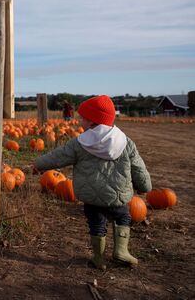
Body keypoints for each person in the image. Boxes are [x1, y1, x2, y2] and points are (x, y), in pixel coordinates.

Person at [33, 95, 151, 269]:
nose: (80, 121)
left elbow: (58, 156)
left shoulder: (80, 143)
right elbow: (138, 167)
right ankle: (121, 251)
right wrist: (144, 187)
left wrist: (38, 164)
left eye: (83, 118)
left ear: (92, 121)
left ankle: (98, 258)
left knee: (97, 224)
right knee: (123, 218)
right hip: (118, 196)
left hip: (91, 198)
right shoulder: (125, 142)